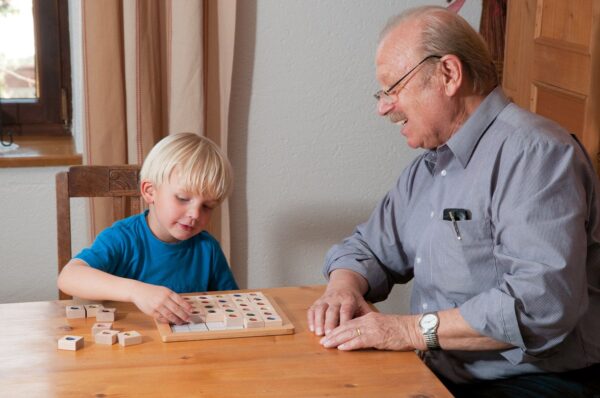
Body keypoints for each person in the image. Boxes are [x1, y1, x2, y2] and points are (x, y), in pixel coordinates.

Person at [307, 5, 600, 397]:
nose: (383, 106)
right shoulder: (430, 166)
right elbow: (367, 248)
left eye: (393, 88)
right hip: (442, 372)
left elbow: (540, 303)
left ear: (448, 74)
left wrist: (407, 330)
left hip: (534, 382)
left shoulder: (537, 154)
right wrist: (342, 287)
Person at [58, 132, 239, 325]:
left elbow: (233, 304)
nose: (195, 214)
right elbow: (69, 277)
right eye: (183, 198)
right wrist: (136, 291)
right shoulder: (123, 238)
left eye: (207, 206)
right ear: (150, 192)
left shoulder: (207, 248)